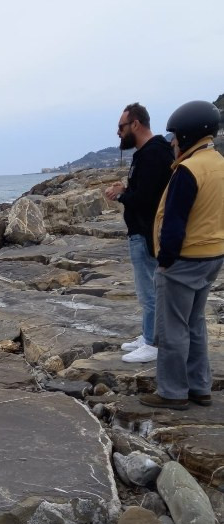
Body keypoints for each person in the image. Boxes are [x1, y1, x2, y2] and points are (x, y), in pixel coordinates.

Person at [142, 99, 224, 409]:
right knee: (194, 323)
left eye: (176, 136)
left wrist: (164, 262)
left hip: (185, 258)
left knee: (172, 327)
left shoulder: (190, 169)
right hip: (213, 255)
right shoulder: (218, 163)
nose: (173, 143)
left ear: (189, 135)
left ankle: (173, 392)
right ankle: (200, 387)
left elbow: (175, 221)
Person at [103, 103, 174, 363]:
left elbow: (147, 199)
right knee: (147, 290)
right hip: (143, 232)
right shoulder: (146, 154)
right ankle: (147, 335)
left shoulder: (154, 154)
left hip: (145, 233)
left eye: (121, 127)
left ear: (135, 124)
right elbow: (144, 191)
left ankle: (153, 343)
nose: (118, 132)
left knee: (150, 291)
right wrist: (125, 188)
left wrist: (122, 194)